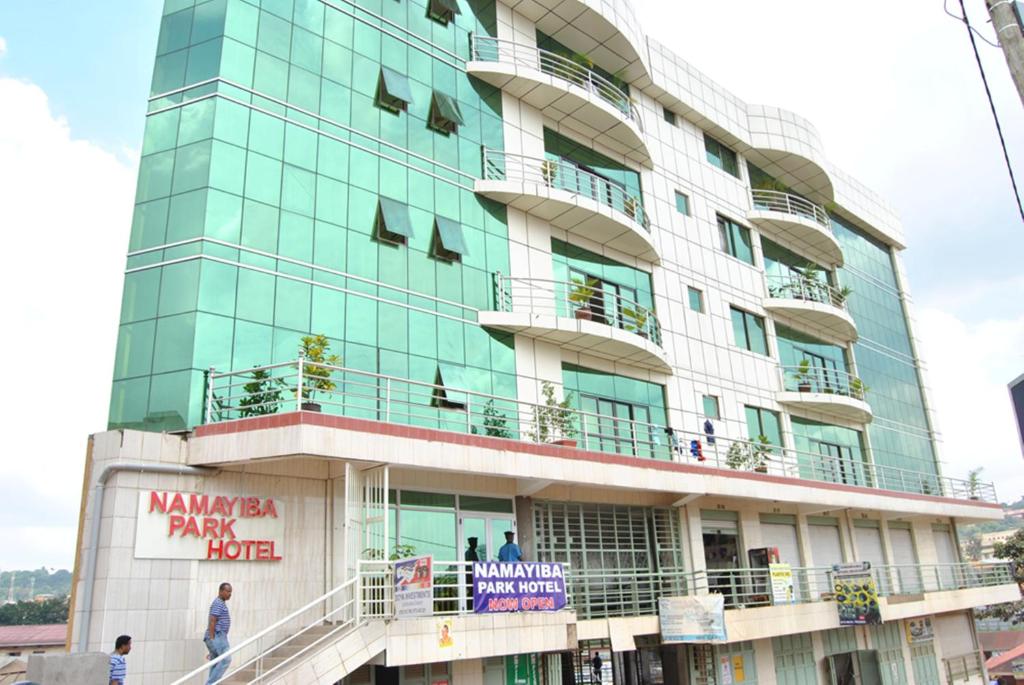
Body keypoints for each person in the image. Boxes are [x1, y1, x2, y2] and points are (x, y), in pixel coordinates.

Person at [204, 582, 233, 685]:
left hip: (218, 637)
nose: (230, 594)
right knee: (226, 660)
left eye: (231, 592)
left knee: (216, 662)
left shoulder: (221, 603)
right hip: (217, 636)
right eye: (228, 591)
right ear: (221, 591)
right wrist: (213, 640)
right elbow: (212, 620)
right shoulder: (218, 603)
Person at [464, 537, 480, 609]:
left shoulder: (474, 552)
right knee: (471, 593)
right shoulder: (468, 553)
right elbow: (469, 565)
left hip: (474, 576)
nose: (476, 544)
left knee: (474, 593)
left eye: (476, 542)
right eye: (474, 542)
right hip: (470, 576)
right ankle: (469, 608)